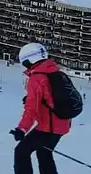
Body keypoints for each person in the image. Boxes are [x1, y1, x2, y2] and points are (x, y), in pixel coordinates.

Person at [10, 43, 71, 174]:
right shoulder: (54, 71)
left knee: (21, 152)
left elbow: (31, 109)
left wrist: (22, 129)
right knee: (44, 153)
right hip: (62, 124)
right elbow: (50, 96)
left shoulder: (37, 78)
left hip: (48, 127)